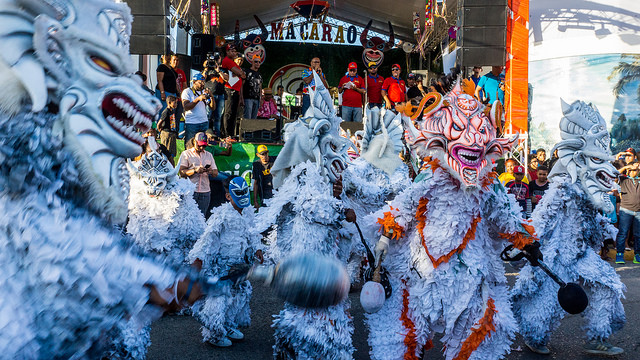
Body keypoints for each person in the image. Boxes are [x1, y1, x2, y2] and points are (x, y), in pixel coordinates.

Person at [189, 176, 263, 348]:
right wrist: (198, 259)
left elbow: (252, 232)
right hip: (221, 266)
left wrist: (257, 248)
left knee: (240, 295)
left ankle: (228, 326)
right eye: (238, 193)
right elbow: (208, 238)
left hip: (239, 266)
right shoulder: (221, 215)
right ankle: (213, 334)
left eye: (245, 192)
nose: (243, 195)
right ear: (228, 196)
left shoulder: (248, 212)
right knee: (219, 299)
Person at [179, 132, 218, 215]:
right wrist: (195, 170)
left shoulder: (209, 155)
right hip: (190, 191)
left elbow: (215, 173)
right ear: (194, 142)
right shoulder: (186, 154)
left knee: (202, 216)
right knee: (187, 216)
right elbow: (181, 172)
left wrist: (210, 171)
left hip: (205, 191)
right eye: (200, 145)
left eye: (204, 145)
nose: (201, 147)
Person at [614, 161, 640, 264]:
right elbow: (614, 174)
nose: (634, 172)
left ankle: (637, 255)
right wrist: (628, 166)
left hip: (638, 211)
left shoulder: (639, 180)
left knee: (638, 234)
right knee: (622, 233)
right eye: (632, 170)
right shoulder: (623, 179)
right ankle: (619, 254)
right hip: (626, 210)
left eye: (636, 170)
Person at [221, 44, 246, 137]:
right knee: (228, 113)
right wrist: (240, 74)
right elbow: (240, 73)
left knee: (233, 113)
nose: (234, 52)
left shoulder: (233, 62)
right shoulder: (227, 61)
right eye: (232, 51)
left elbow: (243, 75)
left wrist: (240, 74)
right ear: (227, 52)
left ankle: (230, 133)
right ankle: (227, 134)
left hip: (235, 90)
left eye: (235, 51)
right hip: (230, 89)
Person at [182, 73, 213, 145]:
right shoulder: (187, 91)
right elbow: (186, 107)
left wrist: (212, 97)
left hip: (204, 122)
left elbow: (212, 107)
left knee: (203, 145)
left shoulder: (204, 91)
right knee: (190, 145)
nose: (202, 84)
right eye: (200, 82)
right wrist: (198, 99)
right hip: (192, 123)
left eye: (203, 82)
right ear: (194, 82)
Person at [203, 53, 226, 136]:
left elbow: (226, 79)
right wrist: (206, 68)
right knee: (207, 115)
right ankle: (206, 133)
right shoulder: (207, 70)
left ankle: (218, 134)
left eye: (217, 59)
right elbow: (202, 78)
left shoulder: (222, 69)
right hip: (209, 94)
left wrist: (218, 71)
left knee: (218, 116)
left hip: (220, 95)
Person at [157, 95, 179, 165]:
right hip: (167, 133)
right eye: (174, 103)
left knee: (172, 153)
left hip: (172, 133)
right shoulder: (166, 112)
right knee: (166, 152)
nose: (176, 104)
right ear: (169, 103)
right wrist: (160, 129)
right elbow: (159, 123)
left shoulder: (172, 111)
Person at [243, 55, 263, 120]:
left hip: (256, 99)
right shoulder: (246, 71)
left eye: (259, 62)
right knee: (247, 118)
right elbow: (241, 85)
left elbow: (260, 86)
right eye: (256, 61)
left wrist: (260, 98)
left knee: (254, 119)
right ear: (252, 62)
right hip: (248, 98)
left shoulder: (259, 74)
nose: (258, 63)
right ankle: (246, 130)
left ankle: (251, 130)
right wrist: (241, 97)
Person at [170, 54, 186, 123]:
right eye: (174, 60)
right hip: (171, 98)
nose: (175, 62)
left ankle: (176, 132)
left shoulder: (181, 72)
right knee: (171, 117)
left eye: (177, 60)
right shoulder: (169, 71)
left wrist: (184, 96)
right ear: (170, 61)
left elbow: (185, 85)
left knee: (178, 117)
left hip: (180, 99)